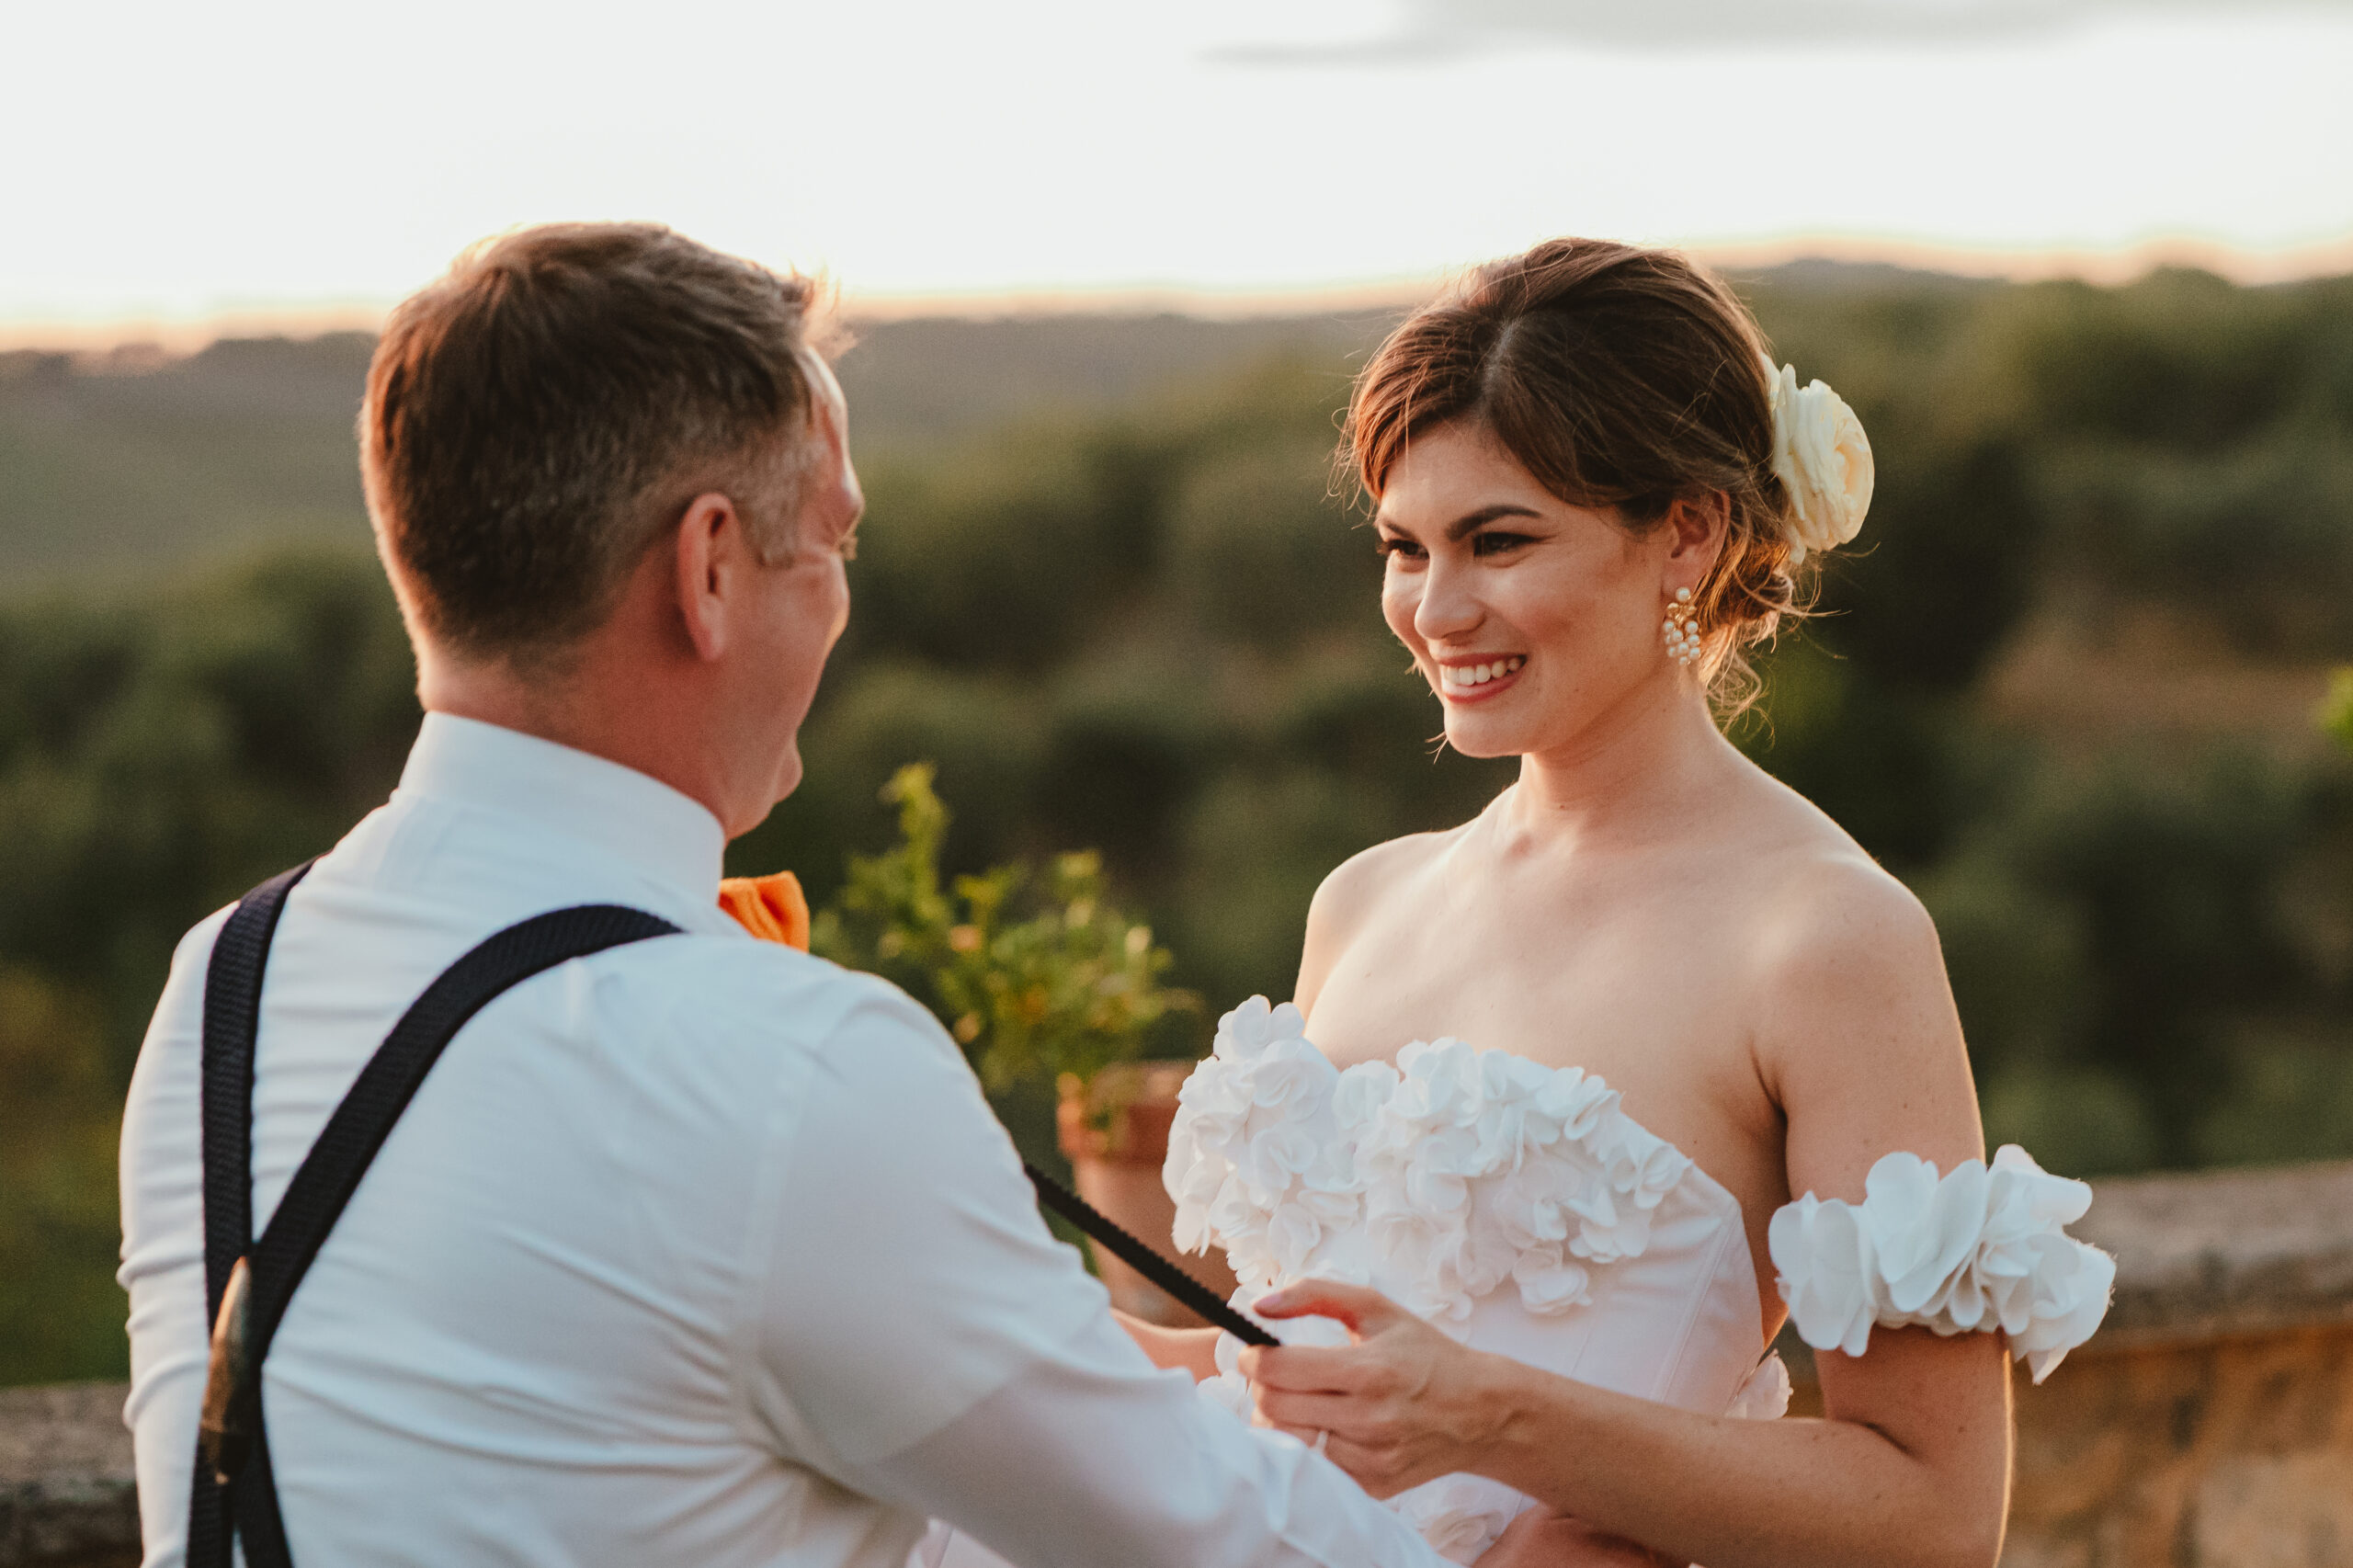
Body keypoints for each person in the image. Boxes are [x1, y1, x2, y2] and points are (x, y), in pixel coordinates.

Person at [117, 222, 1460, 1568]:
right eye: (832, 543)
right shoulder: (786, 1063)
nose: (837, 601)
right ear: (708, 570)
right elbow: (1214, 1540)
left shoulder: (220, 987)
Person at [1153, 240, 2114, 1568]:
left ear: (1692, 530)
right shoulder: (1362, 900)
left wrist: (1493, 1416)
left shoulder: (1828, 938)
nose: (1436, 609)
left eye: (1498, 540)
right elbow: (1263, 1376)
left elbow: (1935, 1516)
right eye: (1404, 546)